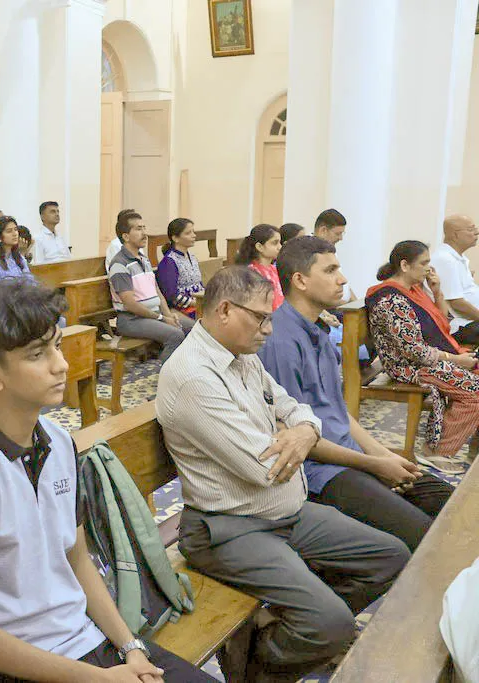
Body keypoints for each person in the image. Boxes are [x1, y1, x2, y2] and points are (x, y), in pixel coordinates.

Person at [0, 277, 215, 683]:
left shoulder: (58, 442)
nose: (60, 364)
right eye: (37, 354)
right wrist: (103, 679)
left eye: (56, 345)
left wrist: (131, 647)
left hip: (85, 640)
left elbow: (75, 557)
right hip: (16, 666)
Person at [157, 266, 410, 682]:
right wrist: (294, 434)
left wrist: (303, 432)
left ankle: (276, 634)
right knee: (331, 623)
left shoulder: (242, 357)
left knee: (390, 556)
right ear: (224, 310)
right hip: (228, 527)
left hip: (281, 512)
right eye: (261, 317)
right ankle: (258, 669)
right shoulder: (193, 377)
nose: (269, 330)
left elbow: (296, 409)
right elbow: (266, 468)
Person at [259, 236, 453, 551]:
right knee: (423, 535)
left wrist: (385, 455)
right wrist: (373, 465)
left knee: (447, 502)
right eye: (330, 270)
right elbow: (297, 440)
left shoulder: (318, 333)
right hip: (320, 473)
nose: (342, 279)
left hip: (351, 457)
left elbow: (338, 414)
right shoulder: (281, 342)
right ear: (300, 281)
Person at [365, 240, 479, 474]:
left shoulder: (413, 290)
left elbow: (443, 321)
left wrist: (437, 291)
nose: (429, 268)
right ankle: (437, 452)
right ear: (404, 265)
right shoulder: (391, 300)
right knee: (474, 390)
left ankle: (474, 450)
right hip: (407, 367)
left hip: (422, 360)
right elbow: (414, 351)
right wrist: (456, 360)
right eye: (424, 263)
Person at [108, 211, 193, 362]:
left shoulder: (144, 259)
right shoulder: (119, 264)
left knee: (193, 327)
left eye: (144, 228)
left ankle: (183, 369)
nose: (144, 233)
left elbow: (157, 291)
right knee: (175, 335)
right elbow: (130, 304)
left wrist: (167, 314)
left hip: (153, 315)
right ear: (126, 236)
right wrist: (162, 318)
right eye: (138, 229)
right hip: (132, 320)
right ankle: (163, 373)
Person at [429, 214, 479, 344]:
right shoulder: (446, 259)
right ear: (455, 235)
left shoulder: (458, 258)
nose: (476, 232)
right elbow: (456, 303)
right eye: (471, 229)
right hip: (462, 325)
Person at [155, 218, 204, 319]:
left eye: (193, 232)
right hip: (182, 309)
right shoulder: (168, 262)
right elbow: (171, 295)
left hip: (199, 304)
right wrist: (196, 303)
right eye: (188, 233)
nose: (194, 235)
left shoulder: (192, 257)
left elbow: (199, 284)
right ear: (175, 238)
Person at [234, 223, 283, 310]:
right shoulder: (251, 272)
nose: (280, 247)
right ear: (260, 247)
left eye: (280, 242)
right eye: (275, 243)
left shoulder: (275, 269)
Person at [314, 208, 357, 303]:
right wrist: (343, 306)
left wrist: (355, 304)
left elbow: (343, 282)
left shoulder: (330, 248)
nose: (341, 238)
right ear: (323, 230)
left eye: (342, 233)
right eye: (338, 234)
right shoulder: (309, 252)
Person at [0, 216, 36, 282]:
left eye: (16, 229)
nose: (15, 234)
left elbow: (30, 280)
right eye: (9, 231)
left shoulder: (19, 257)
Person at [32, 200, 71, 265]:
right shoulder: (37, 238)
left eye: (58, 211)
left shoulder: (60, 237)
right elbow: (39, 265)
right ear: (42, 216)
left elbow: (69, 259)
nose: (57, 214)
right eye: (53, 212)